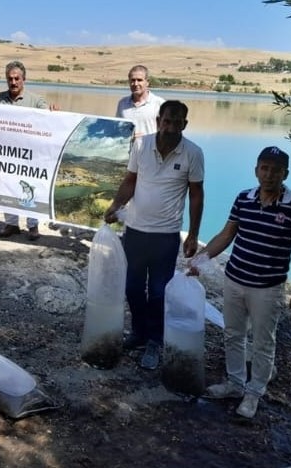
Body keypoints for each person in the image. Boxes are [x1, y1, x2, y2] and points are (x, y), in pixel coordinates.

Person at [190, 146, 291, 419]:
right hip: (234, 279)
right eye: (264, 168)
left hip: (268, 288)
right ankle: (235, 384)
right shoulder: (243, 198)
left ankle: (254, 392)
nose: (269, 175)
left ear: (285, 173)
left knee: (263, 342)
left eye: (275, 170)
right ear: (256, 170)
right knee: (233, 334)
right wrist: (200, 260)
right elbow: (227, 234)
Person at [103, 100, 204, 370]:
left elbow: (196, 195)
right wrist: (115, 206)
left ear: (185, 124)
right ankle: (138, 332)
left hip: (166, 235)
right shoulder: (141, 145)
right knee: (133, 288)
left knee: (159, 292)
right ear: (159, 120)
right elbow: (130, 181)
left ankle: (155, 341)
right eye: (166, 121)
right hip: (135, 231)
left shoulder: (193, 153)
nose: (170, 127)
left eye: (176, 122)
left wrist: (193, 235)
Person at [0, 60, 58, 241]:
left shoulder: (36, 100)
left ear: (23, 79)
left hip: (29, 157)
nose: (13, 82)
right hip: (6, 154)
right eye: (10, 79)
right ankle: (11, 224)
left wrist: (54, 113)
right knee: (7, 188)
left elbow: (49, 120)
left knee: (29, 188)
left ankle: (33, 226)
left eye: (16, 78)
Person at [115, 65, 165, 139]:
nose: (135, 84)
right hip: (127, 150)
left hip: (150, 150)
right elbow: (117, 129)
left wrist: (145, 138)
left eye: (139, 80)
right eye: (132, 80)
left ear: (147, 82)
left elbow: (167, 132)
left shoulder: (160, 104)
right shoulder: (122, 103)